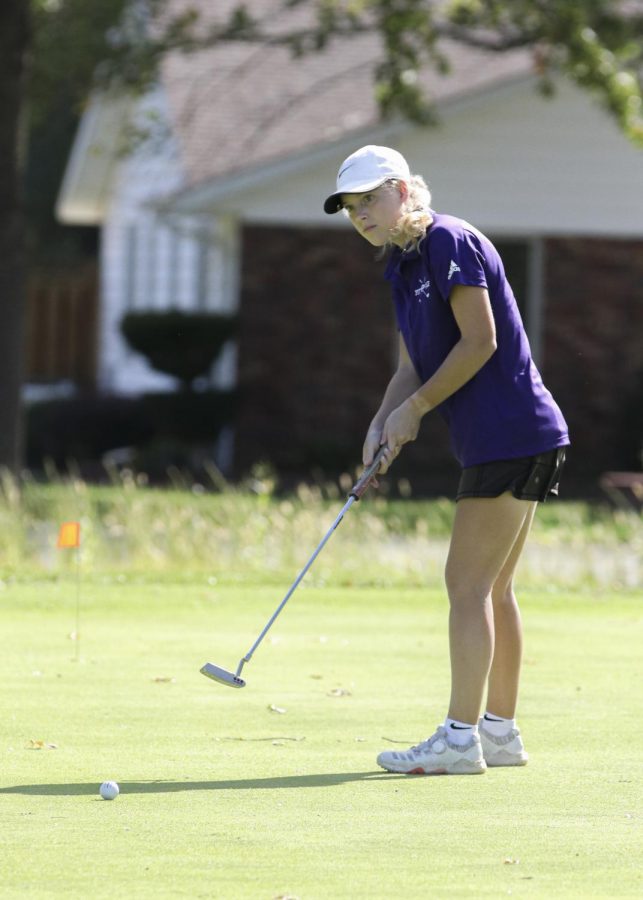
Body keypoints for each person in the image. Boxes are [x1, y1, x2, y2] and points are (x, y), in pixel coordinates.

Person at [323, 145, 570, 775]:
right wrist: (384, 421)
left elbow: (481, 341)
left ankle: (460, 739)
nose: (361, 216)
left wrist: (419, 411)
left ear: (404, 191)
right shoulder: (402, 267)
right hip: (517, 435)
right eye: (351, 208)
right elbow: (411, 365)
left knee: (465, 586)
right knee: (494, 588)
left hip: (511, 431)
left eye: (370, 200)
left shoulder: (447, 241)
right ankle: (500, 734)